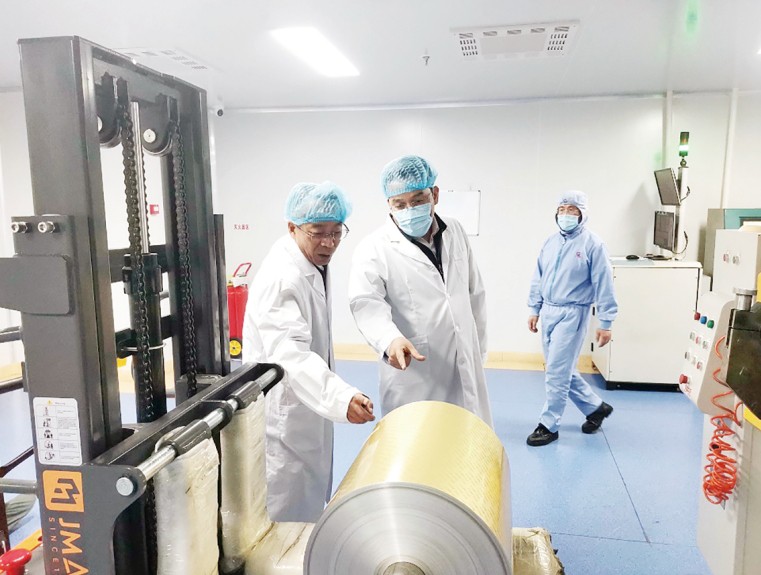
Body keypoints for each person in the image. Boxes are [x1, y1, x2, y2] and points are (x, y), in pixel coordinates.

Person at [242, 181, 375, 522]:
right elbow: (290, 354)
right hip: (285, 416)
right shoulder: (282, 279)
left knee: (307, 498)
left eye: (336, 232)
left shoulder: (309, 261)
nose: (329, 243)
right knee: (286, 507)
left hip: (306, 405)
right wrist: (341, 397)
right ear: (293, 228)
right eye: (318, 233)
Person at [348, 155, 492, 426]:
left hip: (465, 361)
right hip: (416, 374)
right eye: (399, 204)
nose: (409, 210)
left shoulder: (455, 230)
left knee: (467, 439)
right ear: (389, 204)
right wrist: (389, 339)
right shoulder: (373, 248)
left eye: (417, 201)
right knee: (417, 443)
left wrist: (478, 348)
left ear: (434, 195)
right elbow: (365, 302)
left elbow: (474, 292)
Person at [526, 190, 618, 447]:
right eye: (562, 209)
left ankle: (549, 425)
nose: (566, 214)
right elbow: (539, 277)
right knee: (560, 368)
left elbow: (604, 284)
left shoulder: (593, 245)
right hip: (549, 311)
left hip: (573, 313)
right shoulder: (550, 242)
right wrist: (534, 308)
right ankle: (595, 408)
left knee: (557, 372)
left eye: (572, 210)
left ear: (582, 214)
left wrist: (606, 322)